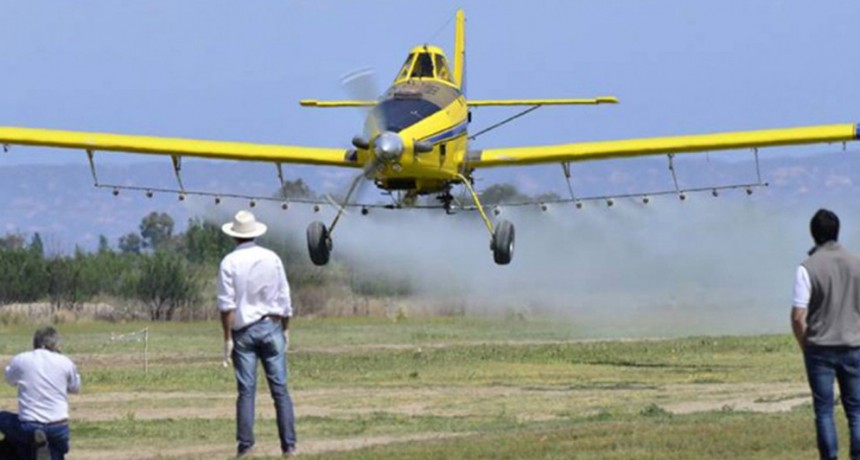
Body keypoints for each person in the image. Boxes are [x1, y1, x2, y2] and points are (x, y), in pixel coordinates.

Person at [218, 210, 297, 457]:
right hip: (272, 325)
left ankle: (246, 446)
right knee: (280, 390)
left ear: (234, 236)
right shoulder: (271, 257)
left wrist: (227, 338)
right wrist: (286, 328)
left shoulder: (229, 262)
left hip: (243, 332)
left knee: (246, 392)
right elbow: (284, 296)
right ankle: (289, 446)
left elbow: (226, 305)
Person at [792, 209, 860, 460]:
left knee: (824, 411)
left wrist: (805, 345)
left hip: (819, 348)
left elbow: (798, 316)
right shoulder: (856, 263)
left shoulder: (807, 268)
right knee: (856, 411)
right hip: (853, 345)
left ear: (813, 235)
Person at [0, 327, 81, 460]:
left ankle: (35, 447)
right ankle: (43, 449)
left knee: (4, 419)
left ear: (35, 343)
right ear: (55, 344)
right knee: (56, 450)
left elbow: (10, 379)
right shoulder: (65, 362)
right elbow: (75, 387)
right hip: (58, 425)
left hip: (29, 425)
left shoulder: (21, 359)